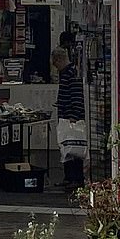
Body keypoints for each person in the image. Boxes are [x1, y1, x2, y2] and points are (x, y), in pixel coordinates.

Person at [51, 46, 85, 190]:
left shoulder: (72, 73)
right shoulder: (66, 73)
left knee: (74, 148)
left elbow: (77, 95)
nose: (55, 67)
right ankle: (68, 177)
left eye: (55, 63)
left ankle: (76, 178)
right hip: (65, 116)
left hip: (71, 117)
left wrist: (74, 116)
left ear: (59, 59)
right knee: (66, 147)